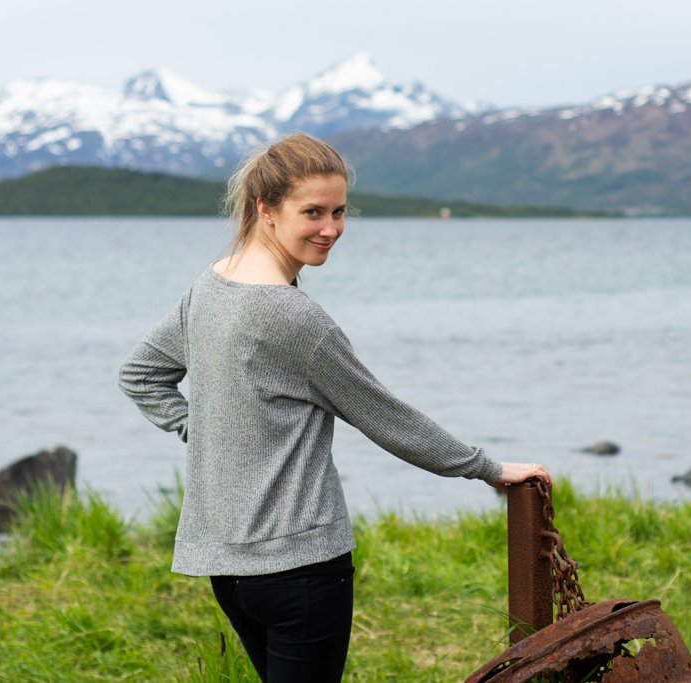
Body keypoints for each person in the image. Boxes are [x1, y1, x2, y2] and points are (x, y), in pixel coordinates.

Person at [118, 132, 551, 683]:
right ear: (266, 211)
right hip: (300, 568)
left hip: (228, 568)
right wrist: (486, 468)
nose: (331, 229)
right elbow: (386, 417)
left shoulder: (213, 282)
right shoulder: (295, 319)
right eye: (313, 212)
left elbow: (140, 376)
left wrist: (205, 427)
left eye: (340, 212)